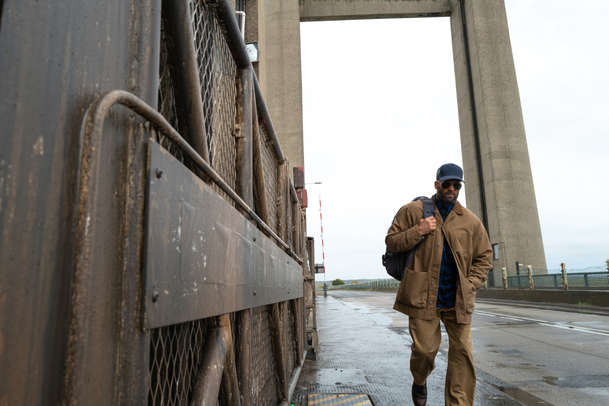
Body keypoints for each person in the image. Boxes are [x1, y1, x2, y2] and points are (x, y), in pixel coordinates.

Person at [385, 163, 492, 406]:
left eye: (457, 185)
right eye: (447, 184)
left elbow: (484, 257)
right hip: (422, 297)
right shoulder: (413, 211)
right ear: (437, 184)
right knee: (424, 351)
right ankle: (419, 380)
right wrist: (418, 230)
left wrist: (471, 282)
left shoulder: (470, 221)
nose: (452, 188)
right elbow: (391, 242)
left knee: (462, 354)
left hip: (458, 300)